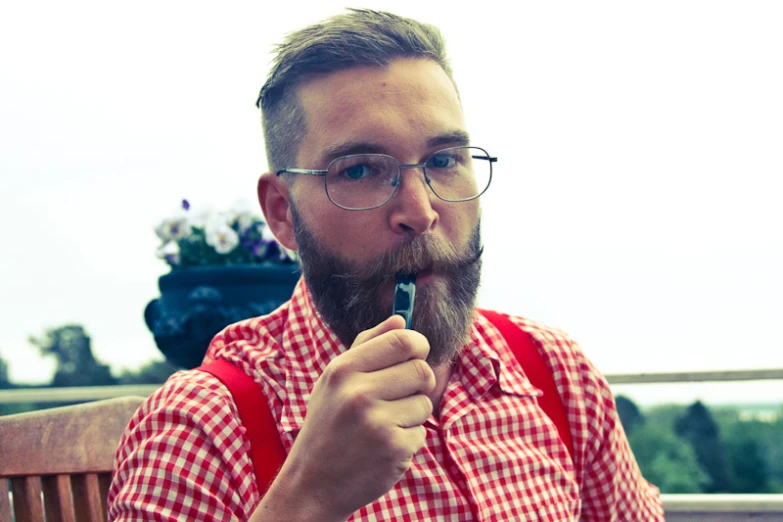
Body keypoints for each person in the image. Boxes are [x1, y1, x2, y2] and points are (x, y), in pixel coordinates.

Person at [108, 9, 664, 521]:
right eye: (359, 171)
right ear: (282, 213)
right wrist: (308, 497)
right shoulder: (199, 430)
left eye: (444, 161)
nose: (420, 212)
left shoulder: (556, 375)